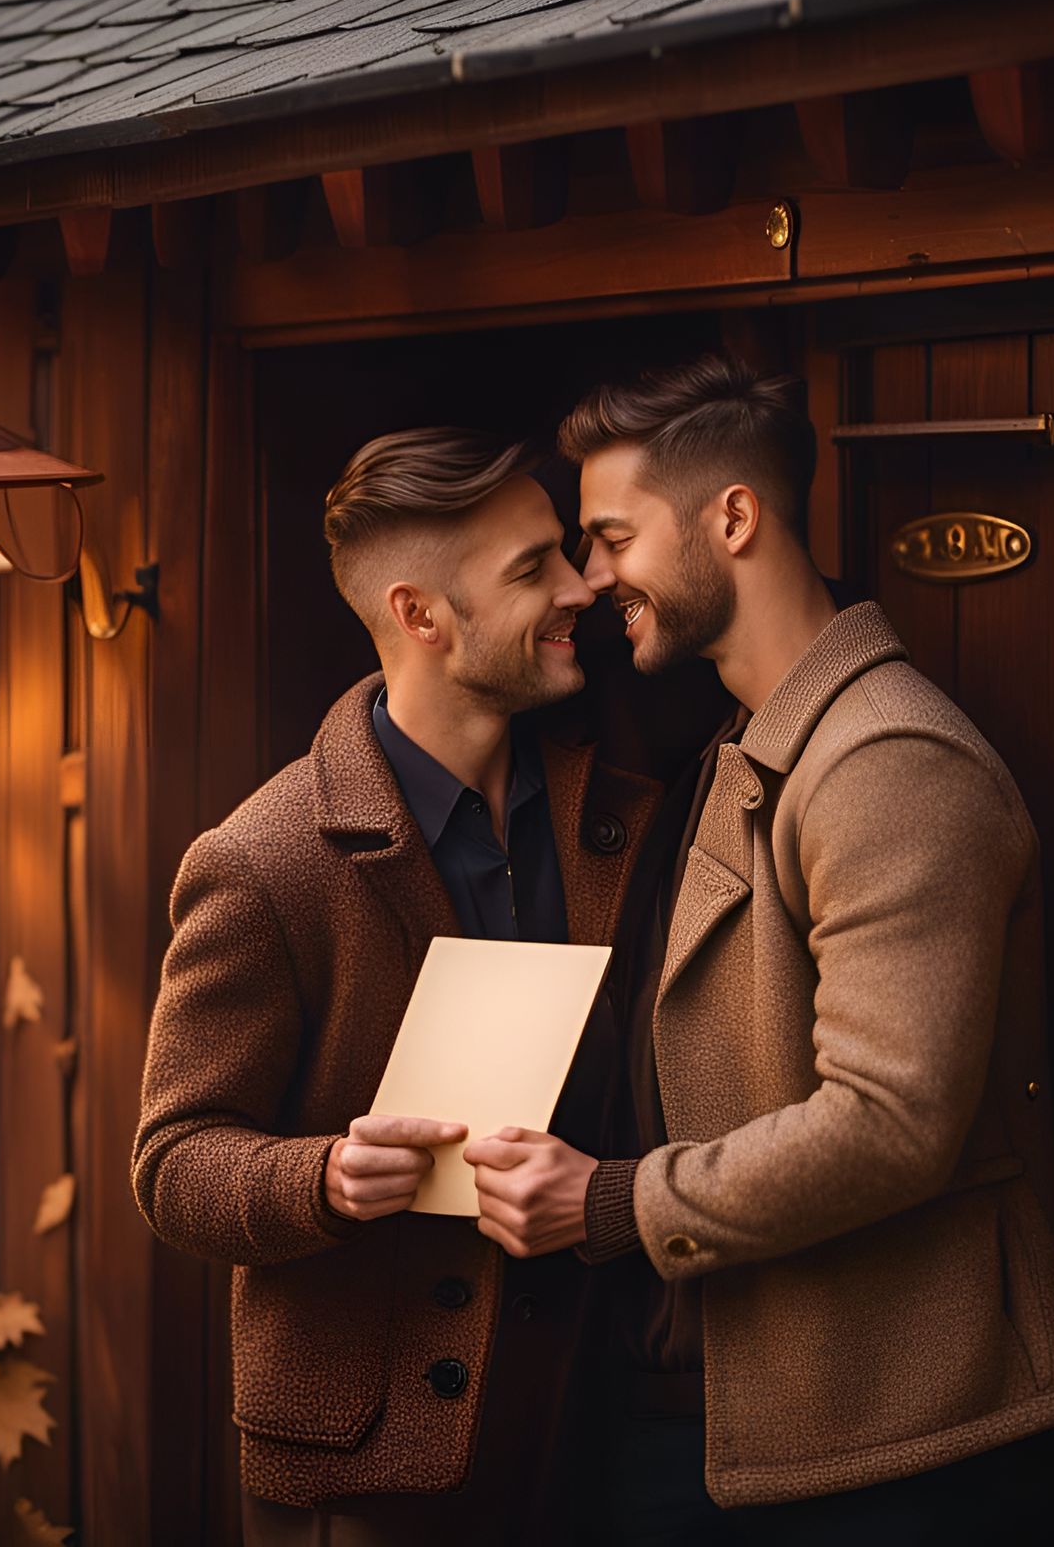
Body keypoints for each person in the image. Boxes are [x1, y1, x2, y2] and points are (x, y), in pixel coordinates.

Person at [467, 355, 1054, 1544]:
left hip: (894, 1457)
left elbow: (889, 1119)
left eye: (609, 537)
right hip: (738, 1423)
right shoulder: (745, 743)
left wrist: (606, 1205)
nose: (592, 580)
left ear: (734, 518)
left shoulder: (886, 762)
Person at [131, 428, 658, 1546]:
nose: (582, 587)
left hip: (597, 1435)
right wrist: (323, 1178)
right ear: (420, 615)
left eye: (565, 549)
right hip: (369, 1477)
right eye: (533, 570)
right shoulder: (259, 860)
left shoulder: (618, 793)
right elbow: (172, 1162)